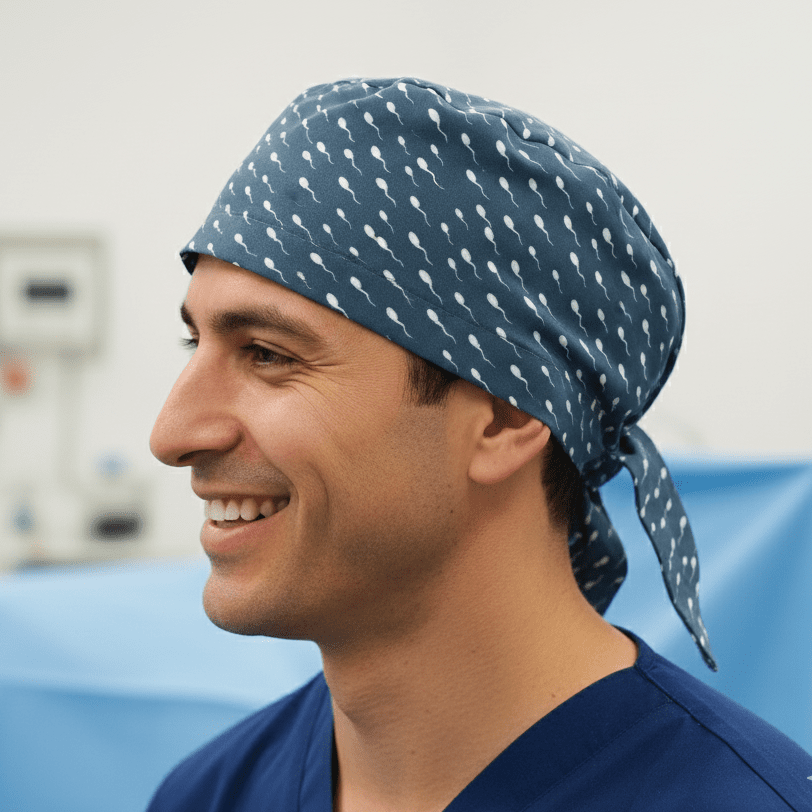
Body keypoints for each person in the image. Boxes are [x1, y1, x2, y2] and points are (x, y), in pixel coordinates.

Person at [147, 77, 812, 811]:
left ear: (503, 417)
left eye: (268, 354)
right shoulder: (210, 794)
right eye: (193, 342)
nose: (172, 435)